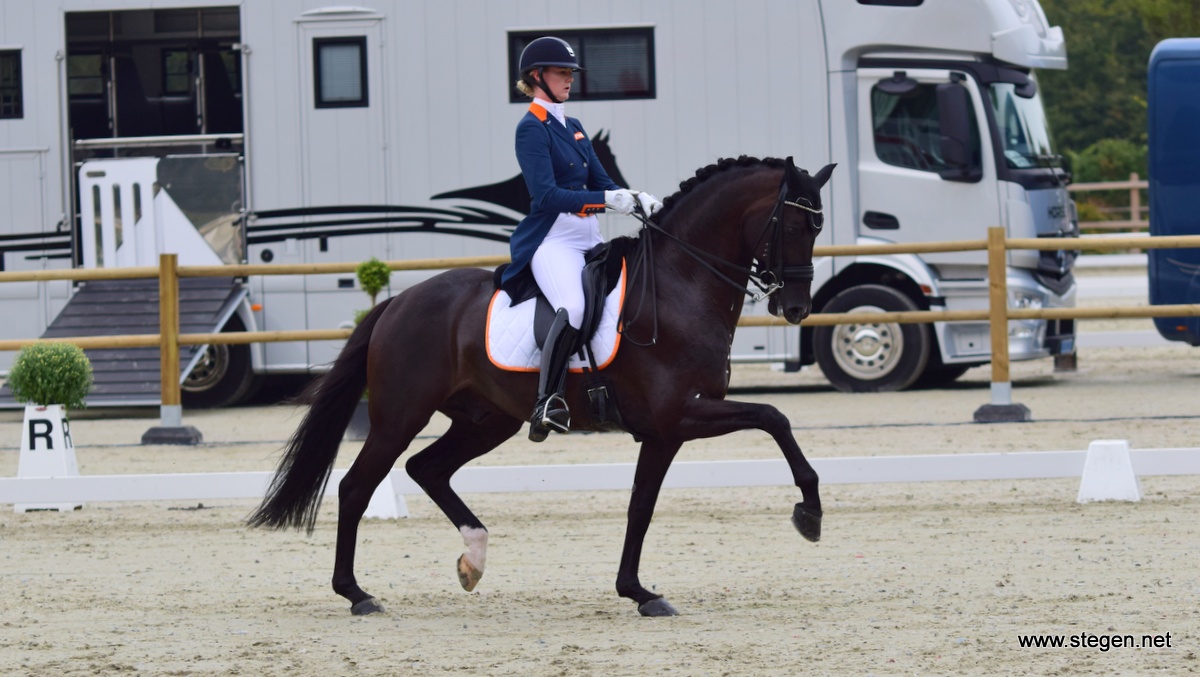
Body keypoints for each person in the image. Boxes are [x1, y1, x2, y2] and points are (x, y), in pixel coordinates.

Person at [501, 36, 662, 443]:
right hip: (552, 241)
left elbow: (603, 182)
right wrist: (606, 200)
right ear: (537, 77)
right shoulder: (530, 129)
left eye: (571, 73)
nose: (569, 79)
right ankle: (547, 401)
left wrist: (635, 197)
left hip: (589, 239)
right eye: (561, 72)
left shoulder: (573, 127)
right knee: (572, 306)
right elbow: (547, 196)